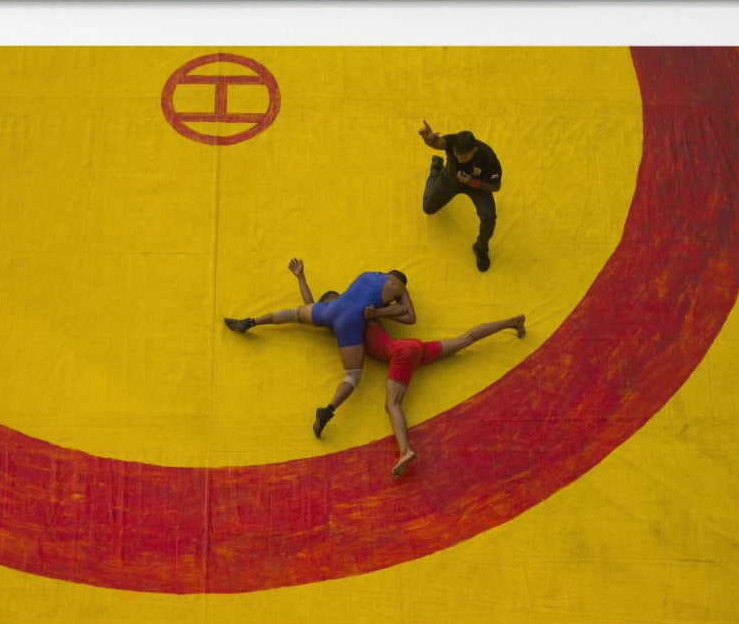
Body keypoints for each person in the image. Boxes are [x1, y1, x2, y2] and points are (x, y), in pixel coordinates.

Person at [293, 260, 525, 478]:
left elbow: (310, 309)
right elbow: (312, 307)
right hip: (413, 348)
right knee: (465, 339)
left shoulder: (351, 320)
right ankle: (511, 321)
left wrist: (304, 281)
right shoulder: (360, 311)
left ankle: (406, 450)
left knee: (391, 404)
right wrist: (301, 277)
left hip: (400, 354)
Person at [223, 259, 415, 437]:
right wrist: (383, 310)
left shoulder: (365, 275)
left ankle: (250, 321)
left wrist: (301, 277)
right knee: (352, 375)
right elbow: (410, 317)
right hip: (350, 322)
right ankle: (328, 410)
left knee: (294, 313)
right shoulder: (397, 285)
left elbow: (310, 305)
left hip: (330, 311)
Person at [418, 121, 503, 272]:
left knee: (489, 217)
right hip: (450, 179)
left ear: (474, 150)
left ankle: (481, 248)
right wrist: (428, 139)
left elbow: (496, 187)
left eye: (464, 157)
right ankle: (436, 169)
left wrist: (472, 182)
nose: (458, 159)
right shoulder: (453, 142)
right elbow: (439, 143)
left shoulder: (489, 159)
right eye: (456, 155)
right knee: (428, 208)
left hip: (478, 187)